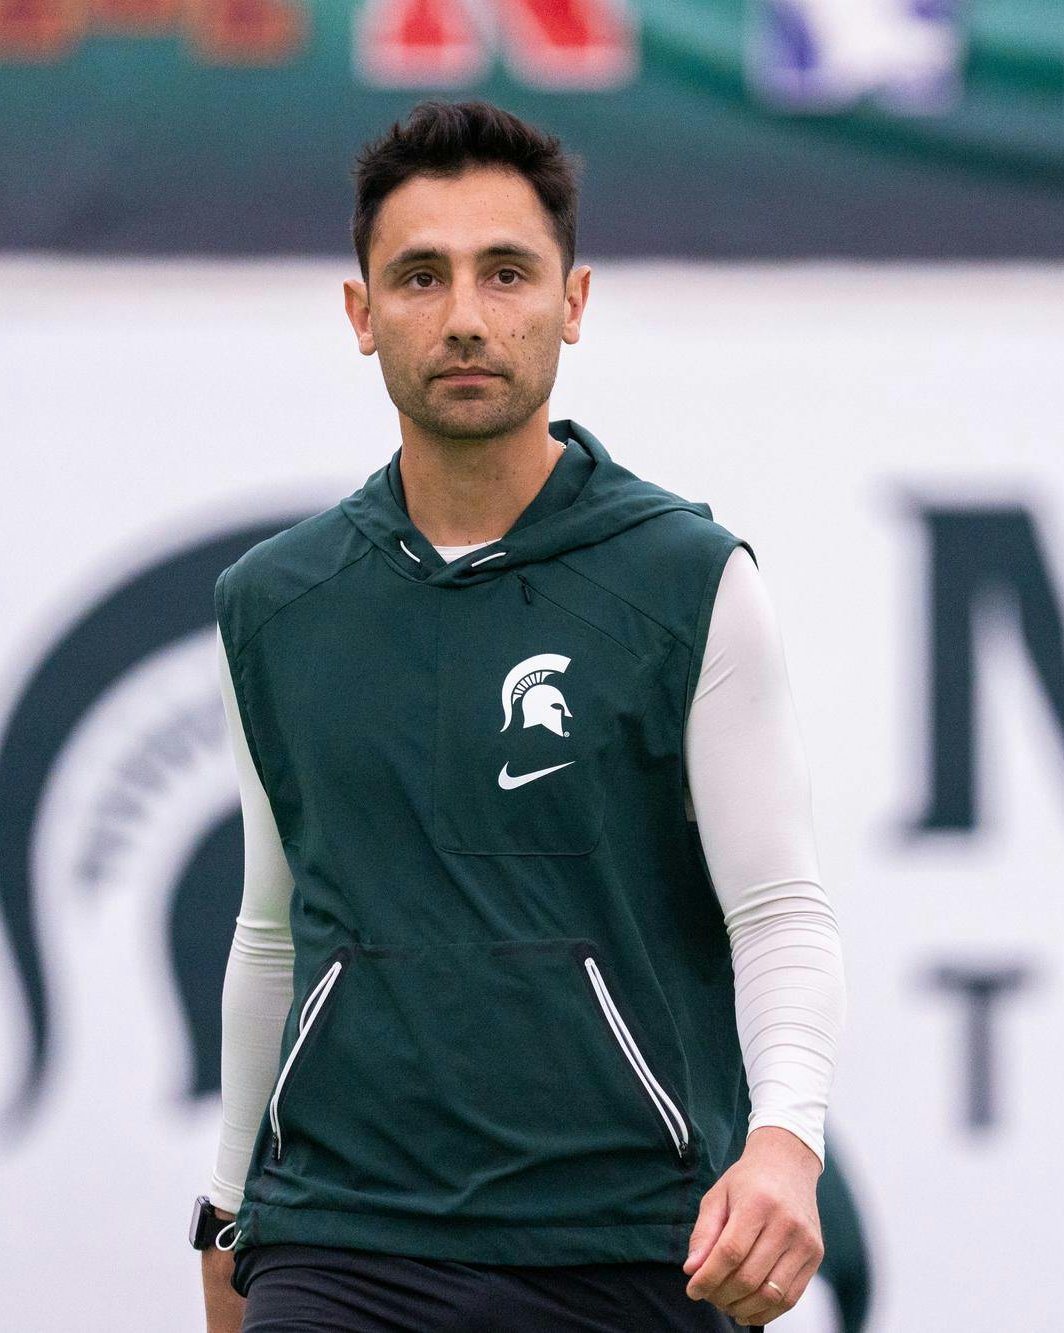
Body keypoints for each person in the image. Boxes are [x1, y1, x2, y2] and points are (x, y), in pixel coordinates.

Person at [190, 99, 848, 1333]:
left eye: (507, 273)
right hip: (339, 1240)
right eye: (420, 277)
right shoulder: (273, 606)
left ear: (574, 301)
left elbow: (777, 908)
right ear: (361, 313)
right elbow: (271, 930)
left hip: (625, 1242)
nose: (466, 319)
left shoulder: (685, 579)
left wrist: (786, 1146)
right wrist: (228, 1211)